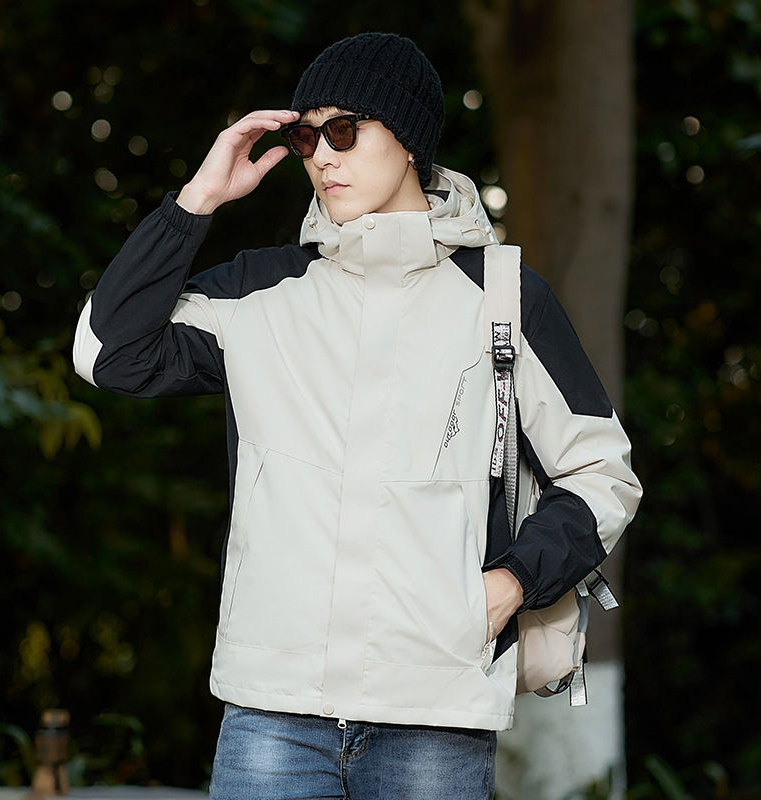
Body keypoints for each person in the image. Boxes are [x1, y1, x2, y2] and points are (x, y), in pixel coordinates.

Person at [74, 32, 641, 800]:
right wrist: (197, 199)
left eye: (343, 130)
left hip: (435, 712)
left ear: (408, 140)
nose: (322, 157)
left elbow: (602, 471)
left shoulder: (502, 297)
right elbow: (105, 352)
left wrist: (513, 582)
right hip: (272, 712)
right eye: (307, 138)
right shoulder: (259, 292)